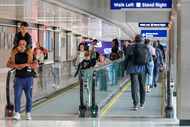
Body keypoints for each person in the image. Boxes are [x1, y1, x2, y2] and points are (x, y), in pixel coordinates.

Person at [7, 40, 38, 120]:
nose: (22, 45)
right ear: (18, 45)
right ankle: (17, 113)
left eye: (23, 44)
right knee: (17, 96)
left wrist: (27, 65)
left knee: (29, 97)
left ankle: (28, 113)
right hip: (18, 79)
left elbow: (36, 65)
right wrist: (16, 66)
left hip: (28, 79)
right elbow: (8, 64)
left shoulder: (30, 54)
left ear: (26, 45)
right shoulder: (15, 54)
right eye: (20, 44)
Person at [125, 34, 151, 110]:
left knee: (134, 87)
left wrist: (125, 68)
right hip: (143, 70)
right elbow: (149, 59)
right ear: (142, 40)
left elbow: (126, 58)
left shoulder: (130, 47)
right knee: (142, 86)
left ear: (135, 40)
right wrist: (149, 70)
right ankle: (142, 103)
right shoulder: (146, 47)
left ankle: (135, 104)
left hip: (133, 70)